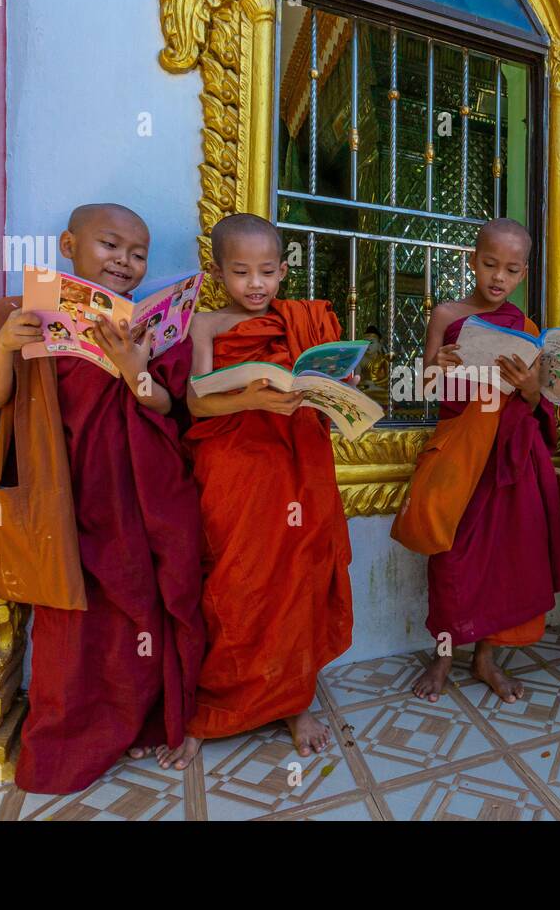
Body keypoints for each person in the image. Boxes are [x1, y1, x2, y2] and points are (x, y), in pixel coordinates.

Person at [0, 202, 205, 792]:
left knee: (137, 606)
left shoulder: (149, 327)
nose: (125, 262)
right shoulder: (28, 315)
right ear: (68, 244)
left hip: (133, 494)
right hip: (63, 492)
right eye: (111, 246)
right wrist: (4, 347)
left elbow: (164, 407)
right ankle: (69, 737)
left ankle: (141, 716)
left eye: (138, 254)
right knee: (69, 617)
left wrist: (135, 367)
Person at [160, 212, 354, 768]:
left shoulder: (304, 322)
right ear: (218, 272)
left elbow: (321, 388)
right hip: (233, 468)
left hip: (295, 466)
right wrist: (255, 398)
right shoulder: (205, 326)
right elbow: (195, 401)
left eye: (266, 271)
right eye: (241, 272)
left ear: (283, 270)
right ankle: (211, 708)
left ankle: (294, 703)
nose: (255, 284)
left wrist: (338, 386)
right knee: (232, 581)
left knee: (296, 579)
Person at [392, 218, 560, 703]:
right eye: (490, 264)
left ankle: (486, 659)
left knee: (509, 561)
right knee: (451, 559)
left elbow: (537, 405)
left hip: (511, 459)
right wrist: (440, 366)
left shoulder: (528, 329)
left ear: (523, 273)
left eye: (511, 270)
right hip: (461, 453)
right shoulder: (446, 315)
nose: (498, 277)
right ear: (471, 261)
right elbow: (425, 388)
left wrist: (532, 389)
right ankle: (444, 656)